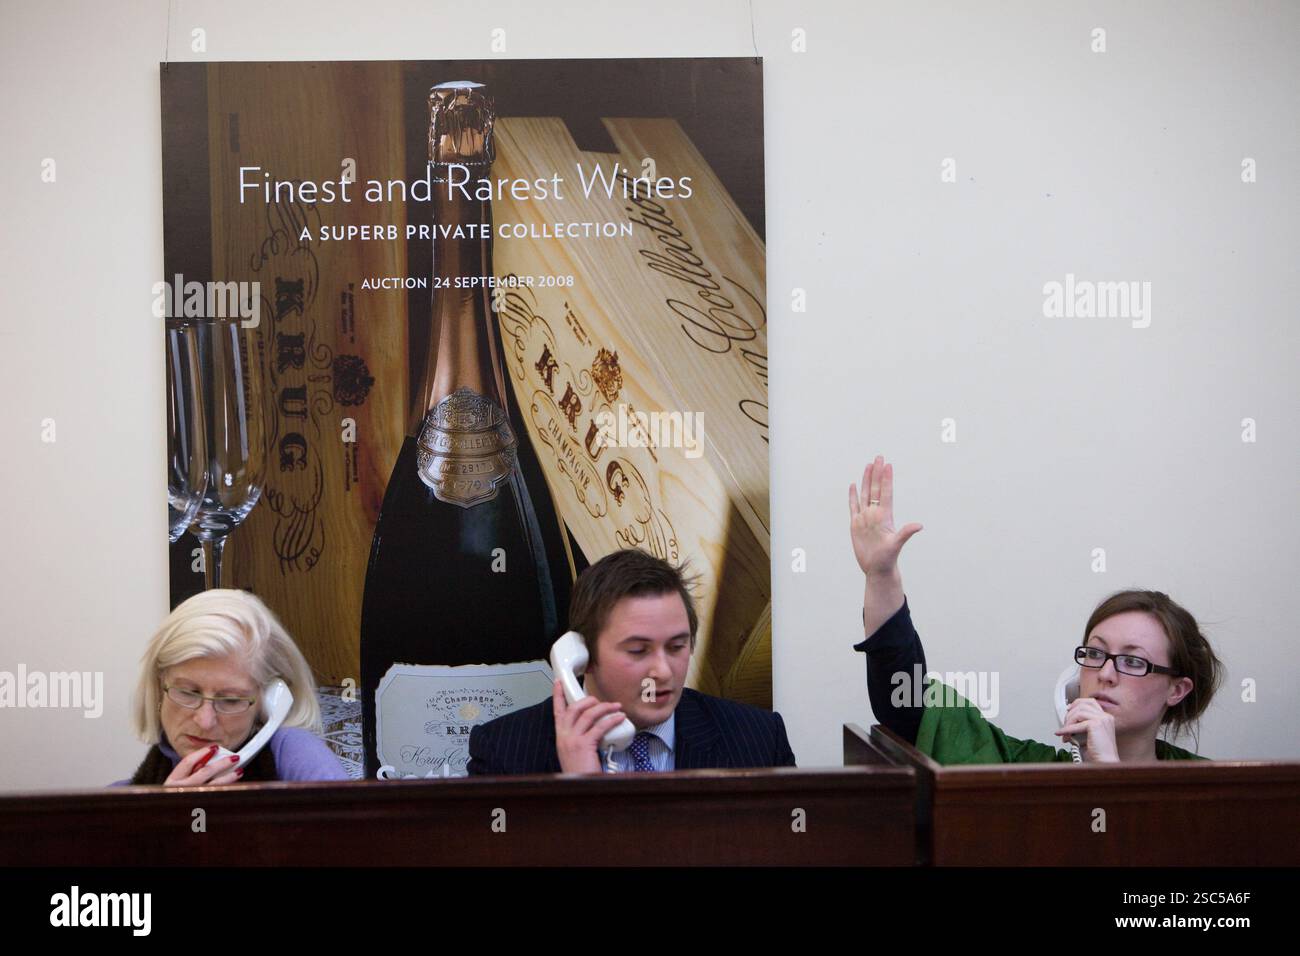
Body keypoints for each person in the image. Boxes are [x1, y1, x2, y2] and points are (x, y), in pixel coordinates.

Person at [850, 455, 1222, 763]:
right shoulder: (1026, 768)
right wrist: (882, 576)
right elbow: (904, 701)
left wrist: (1109, 774)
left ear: (1177, 689)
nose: (1106, 673)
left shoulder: (1210, 789)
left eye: (1132, 661)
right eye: (1095, 653)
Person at [468, 548, 796, 774]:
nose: (663, 672)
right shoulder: (504, 752)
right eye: (638, 651)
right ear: (583, 656)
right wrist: (579, 799)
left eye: (677, 646)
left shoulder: (759, 741)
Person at [117, 589, 348, 785]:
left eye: (230, 700)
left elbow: (360, 835)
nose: (205, 721)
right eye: (187, 692)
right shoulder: (118, 802)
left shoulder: (291, 752)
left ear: (268, 701)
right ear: (159, 688)